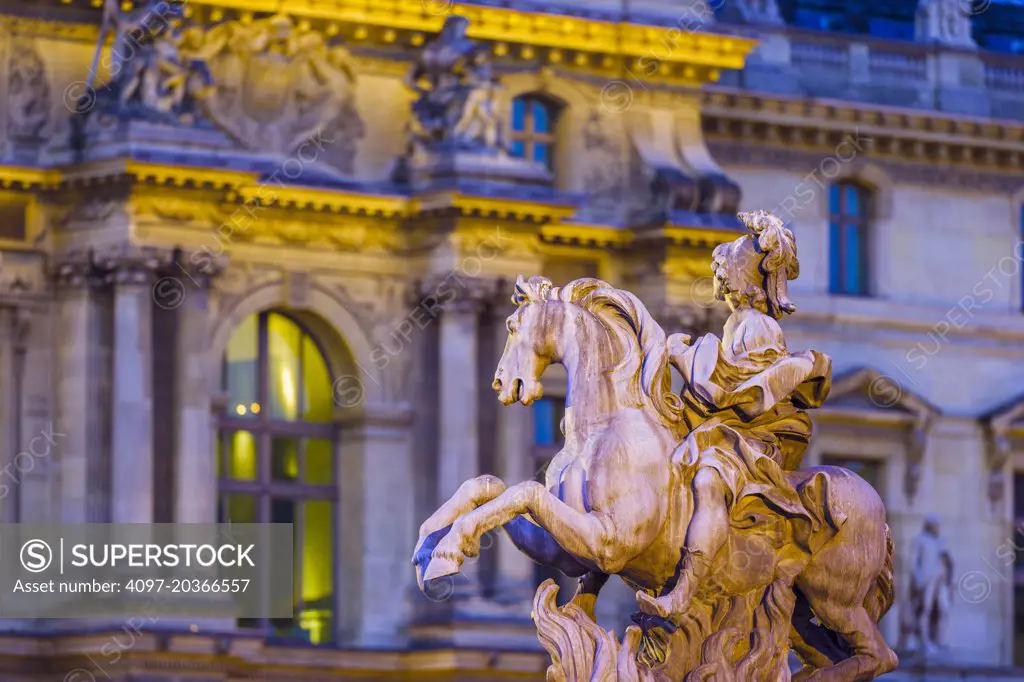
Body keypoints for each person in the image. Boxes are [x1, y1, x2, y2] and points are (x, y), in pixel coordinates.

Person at [637, 210, 834, 620]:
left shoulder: (759, 327)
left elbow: (733, 394)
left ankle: (685, 588)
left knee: (708, 479)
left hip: (752, 442)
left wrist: (682, 358)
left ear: (741, 284)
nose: (720, 288)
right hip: (729, 433)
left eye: (724, 280)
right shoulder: (737, 324)